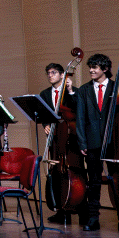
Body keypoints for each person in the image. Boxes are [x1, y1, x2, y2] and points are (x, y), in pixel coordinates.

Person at [76, 53, 119, 232]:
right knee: (93, 182)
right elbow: (80, 118)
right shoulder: (83, 90)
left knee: (118, 181)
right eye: (90, 67)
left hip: (114, 143)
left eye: (95, 67)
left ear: (106, 69)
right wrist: (82, 142)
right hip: (92, 143)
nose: (91, 70)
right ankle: (93, 218)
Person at [39, 62, 78, 224]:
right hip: (55, 139)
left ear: (62, 75)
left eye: (54, 72)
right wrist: (46, 125)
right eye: (48, 73)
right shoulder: (45, 93)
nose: (50, 75)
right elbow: (43, 114)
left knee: (75, 173)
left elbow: (78, 110)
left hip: (71, 137)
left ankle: (80, 208)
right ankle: (61, 210)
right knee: (56, 172)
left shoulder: (72, 91)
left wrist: (70, 91)